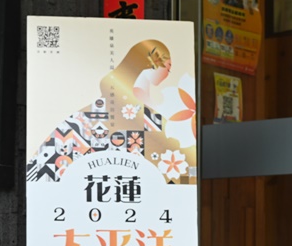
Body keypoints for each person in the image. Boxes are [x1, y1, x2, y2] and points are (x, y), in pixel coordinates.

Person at [26, 39, 196, 184]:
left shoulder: (90, 114)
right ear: (152, 65)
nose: (168, 73)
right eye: (167, 67)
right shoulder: (141, 115)